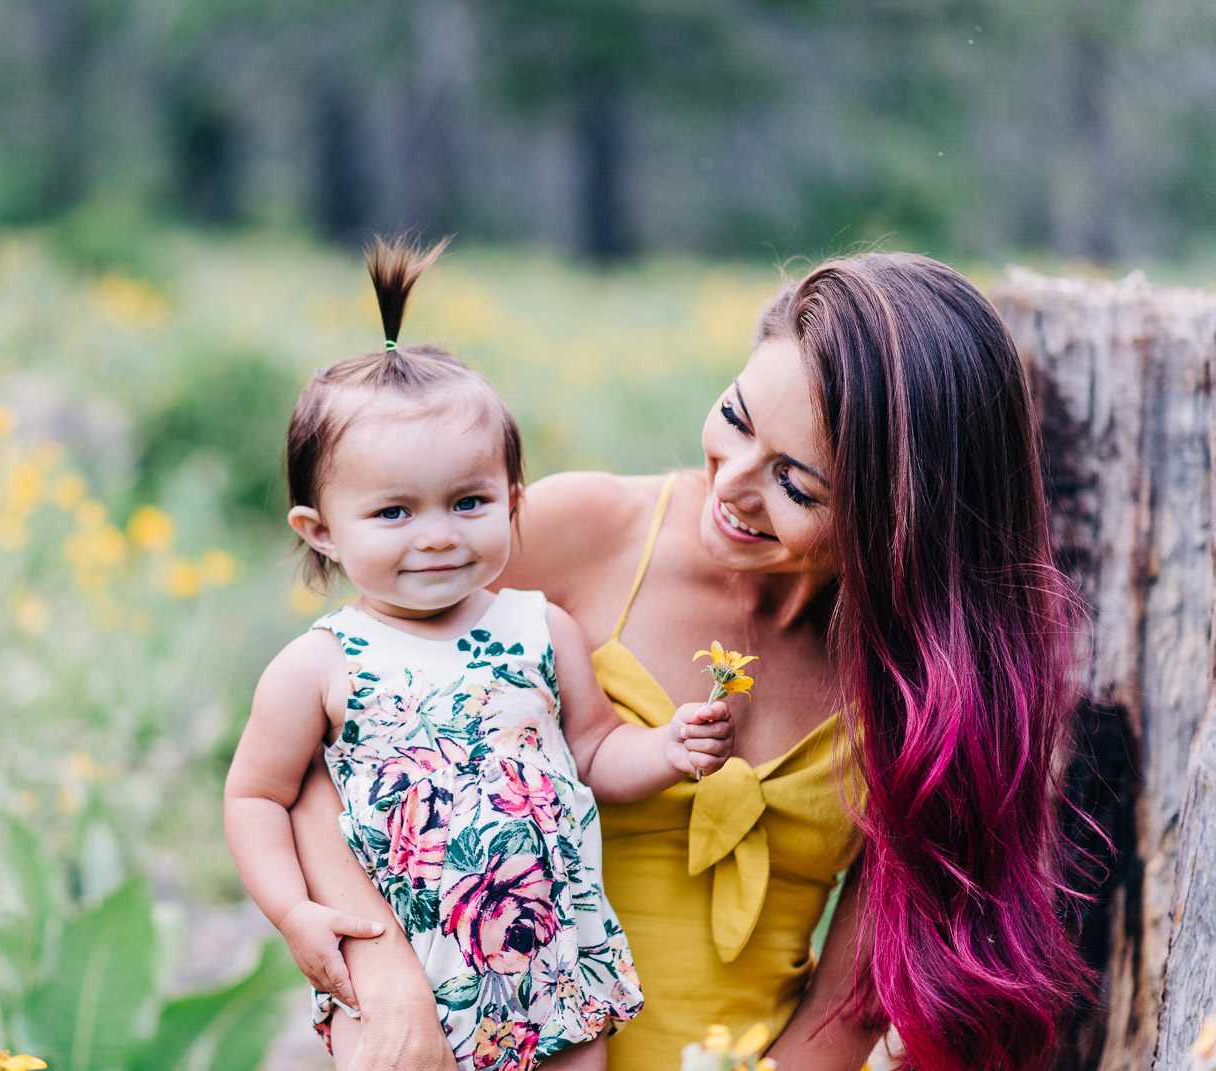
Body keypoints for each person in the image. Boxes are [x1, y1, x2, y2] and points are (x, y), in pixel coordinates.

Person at [290, 252, 1089, 1071]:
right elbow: (319, 756)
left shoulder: (925, 689)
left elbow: (851, 1003)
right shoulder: (580, 535)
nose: (732, 484)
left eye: (796, 484)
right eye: (738, 418)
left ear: (900, 517)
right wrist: (383, 973)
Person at [223, 236, 737, 1071]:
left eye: (468, 501)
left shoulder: (541, 627)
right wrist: (292, 911)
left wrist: (666, 748)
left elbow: (593, 750)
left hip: (553, 953)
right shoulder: (319, 664)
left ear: (513, 501)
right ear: (321, 531)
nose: (436, 537)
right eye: (394, 513)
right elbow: (256, 796)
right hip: (405, 967)